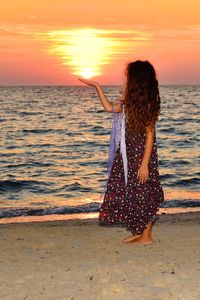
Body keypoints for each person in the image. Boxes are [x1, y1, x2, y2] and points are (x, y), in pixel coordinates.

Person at [78, 60, 164, 244]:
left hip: (142, 158)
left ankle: (147, 236)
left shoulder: (147, 105)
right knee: (133, 192)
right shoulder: (127, 104)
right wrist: (96, 86)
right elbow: (109, 108)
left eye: (129, 77)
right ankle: (142, 232)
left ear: (136, 81)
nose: (126, 80)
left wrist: (144, 165)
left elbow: (150, 136)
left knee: (145, 191)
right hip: (127, 156)